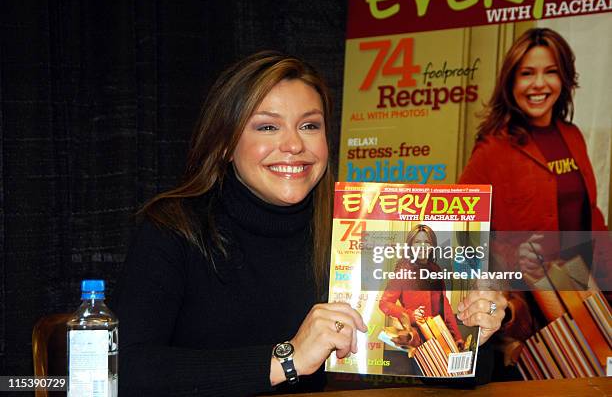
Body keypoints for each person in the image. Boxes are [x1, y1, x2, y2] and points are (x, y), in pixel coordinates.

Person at [113, 51, 507, 396]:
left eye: (309, 125)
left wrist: (474, 339)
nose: (294, 145)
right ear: (224, 143)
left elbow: (448, 377)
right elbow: (124, 371)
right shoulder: (172, 227)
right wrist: (288, 359)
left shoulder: (350, 232)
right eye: (268, 126)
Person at [458, 28, 609, 372]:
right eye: (527, 73)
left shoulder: (571, 136)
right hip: (531, 315)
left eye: (550, 71)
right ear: (511, 82)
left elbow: (590, 216)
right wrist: (513, 258)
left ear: (565, 78)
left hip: (583, 296)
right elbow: (463, 233)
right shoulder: (492, 149)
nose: (539, 84)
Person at [379, 225, 464, 349]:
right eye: (417, 242)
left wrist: (456, 336)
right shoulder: (404, 269)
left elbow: (444, 304)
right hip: (417, 338)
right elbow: (384, 303)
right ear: (410, 245)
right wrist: (410, 315)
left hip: (440, 335)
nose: (422, 247)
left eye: (427, 242)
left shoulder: (435, 269)